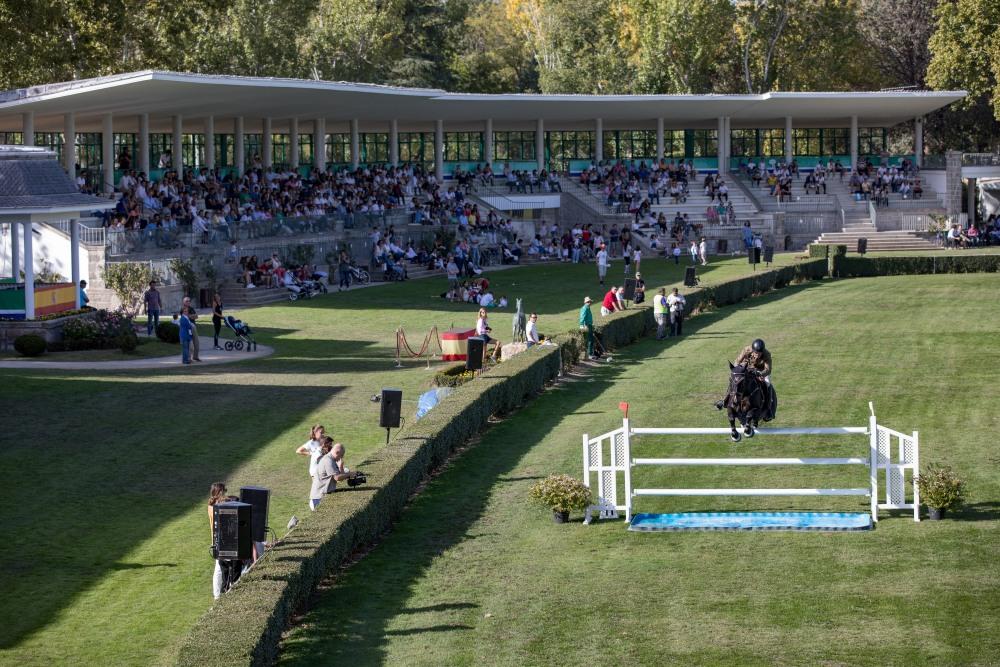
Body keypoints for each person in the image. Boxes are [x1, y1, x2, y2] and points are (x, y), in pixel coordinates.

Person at [716, 338, 773, 411]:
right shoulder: (747, 350)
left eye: (759, 353)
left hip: (760, 370)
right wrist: (737, 371)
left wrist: (760, 374)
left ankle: (768, 407)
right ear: (753, 350)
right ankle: (725, 401)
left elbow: (768, 369)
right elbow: (737, 361)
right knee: (735, 380)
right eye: (756, 353)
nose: (757, 355)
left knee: (768, 383)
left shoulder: (767, 354)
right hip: (747, 368)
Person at [310, 440, 359, 510]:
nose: (341, 458)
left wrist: (341, 467)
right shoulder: (328, 460)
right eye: (341, 456)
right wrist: (349, 474)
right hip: (318, 498)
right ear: (337, 453)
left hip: (321, 496)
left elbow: (340, 478)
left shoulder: (331, 460)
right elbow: (337, 478)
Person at [208, 482, 228, 599]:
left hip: (221, 540)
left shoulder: (216, 504)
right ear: (219, 492)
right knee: (219, 568)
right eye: (223, 491)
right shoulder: (213, 507)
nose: (225, 493)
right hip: (218, 541)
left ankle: (219, 592)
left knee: (221, 567)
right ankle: (217, 594)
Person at [181, 296, 202, 361]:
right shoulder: (183, 309)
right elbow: (184, 317)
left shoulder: (191, 308)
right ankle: (188, 358)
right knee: (190, 345)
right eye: (187, 301)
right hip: (188, 328)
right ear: (183, 302)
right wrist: (192, 316)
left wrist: (190, 316)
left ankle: (195, 357)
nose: (188, 302)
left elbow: (196, 316)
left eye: (189, 301)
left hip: (193, 327)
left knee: (197, 342)